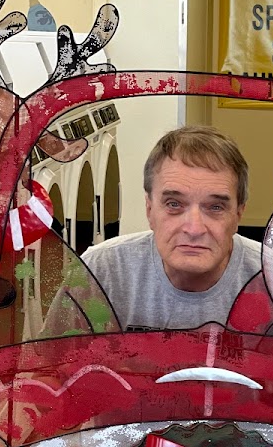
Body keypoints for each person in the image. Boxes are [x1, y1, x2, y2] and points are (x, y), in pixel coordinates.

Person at [82, 125, 261, 331]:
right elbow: (52, 361)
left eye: (215, 207)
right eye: (174, 204)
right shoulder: (102, 270)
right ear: (149, 210)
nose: (194, 229)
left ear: (238, 214)